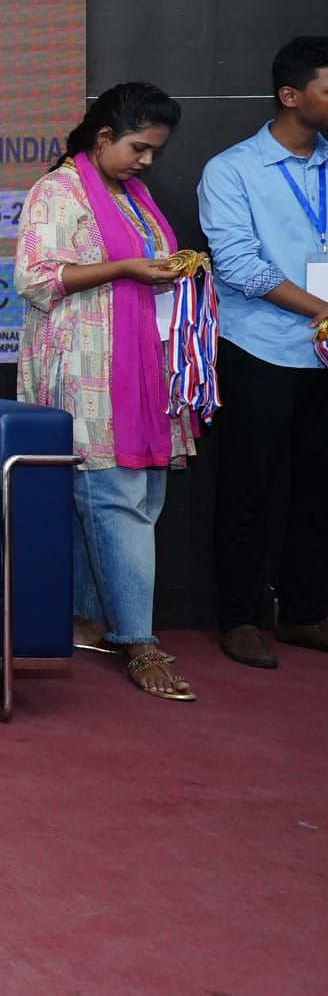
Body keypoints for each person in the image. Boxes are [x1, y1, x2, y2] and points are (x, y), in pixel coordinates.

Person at [15, 83, 199, 699]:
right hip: (85, 365)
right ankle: (138, 641)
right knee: (113, 498)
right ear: (102, 138)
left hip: (142, 362)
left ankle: (89, 620)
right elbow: (35, 279)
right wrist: (125, 268)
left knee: (137, 496)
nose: (147, 160)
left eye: (155, 151)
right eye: (138, 147)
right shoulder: (58, 190)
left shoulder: (133, 195)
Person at [197, 35, 328, 668]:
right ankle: (240, 618)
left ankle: (303, 613)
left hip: (325, 355)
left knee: (320, 492)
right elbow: (240, 266)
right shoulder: (232, 170)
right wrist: (322, 310)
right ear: (291, 95)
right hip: (260, 349)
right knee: (247, 491)